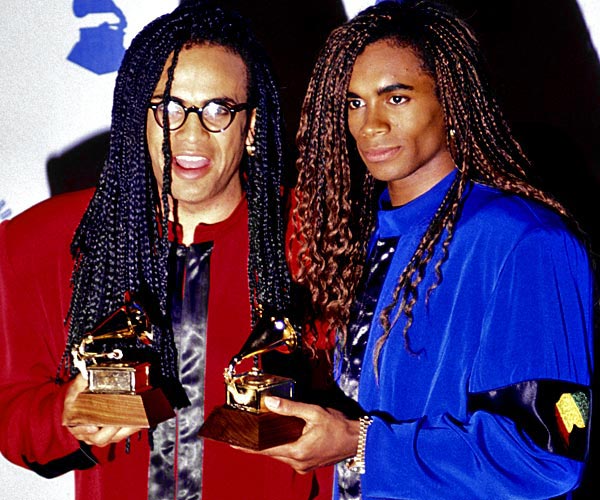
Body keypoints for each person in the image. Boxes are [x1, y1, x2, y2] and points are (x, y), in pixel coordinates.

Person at [245, 1, 596, 499]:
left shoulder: (526, 241)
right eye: (354, 102)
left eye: (397, 98)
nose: (370, 125)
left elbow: (549, 454)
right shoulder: (353, 237)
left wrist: (358, 442)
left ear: (450, 101)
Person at [0, 1, 329, 499]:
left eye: (219, 109)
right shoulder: (53, 240)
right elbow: (12, 410)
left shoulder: (321, 238)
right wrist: (63, 415)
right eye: (168, 108)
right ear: (141, 118)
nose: (189, 135)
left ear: (254, 124)